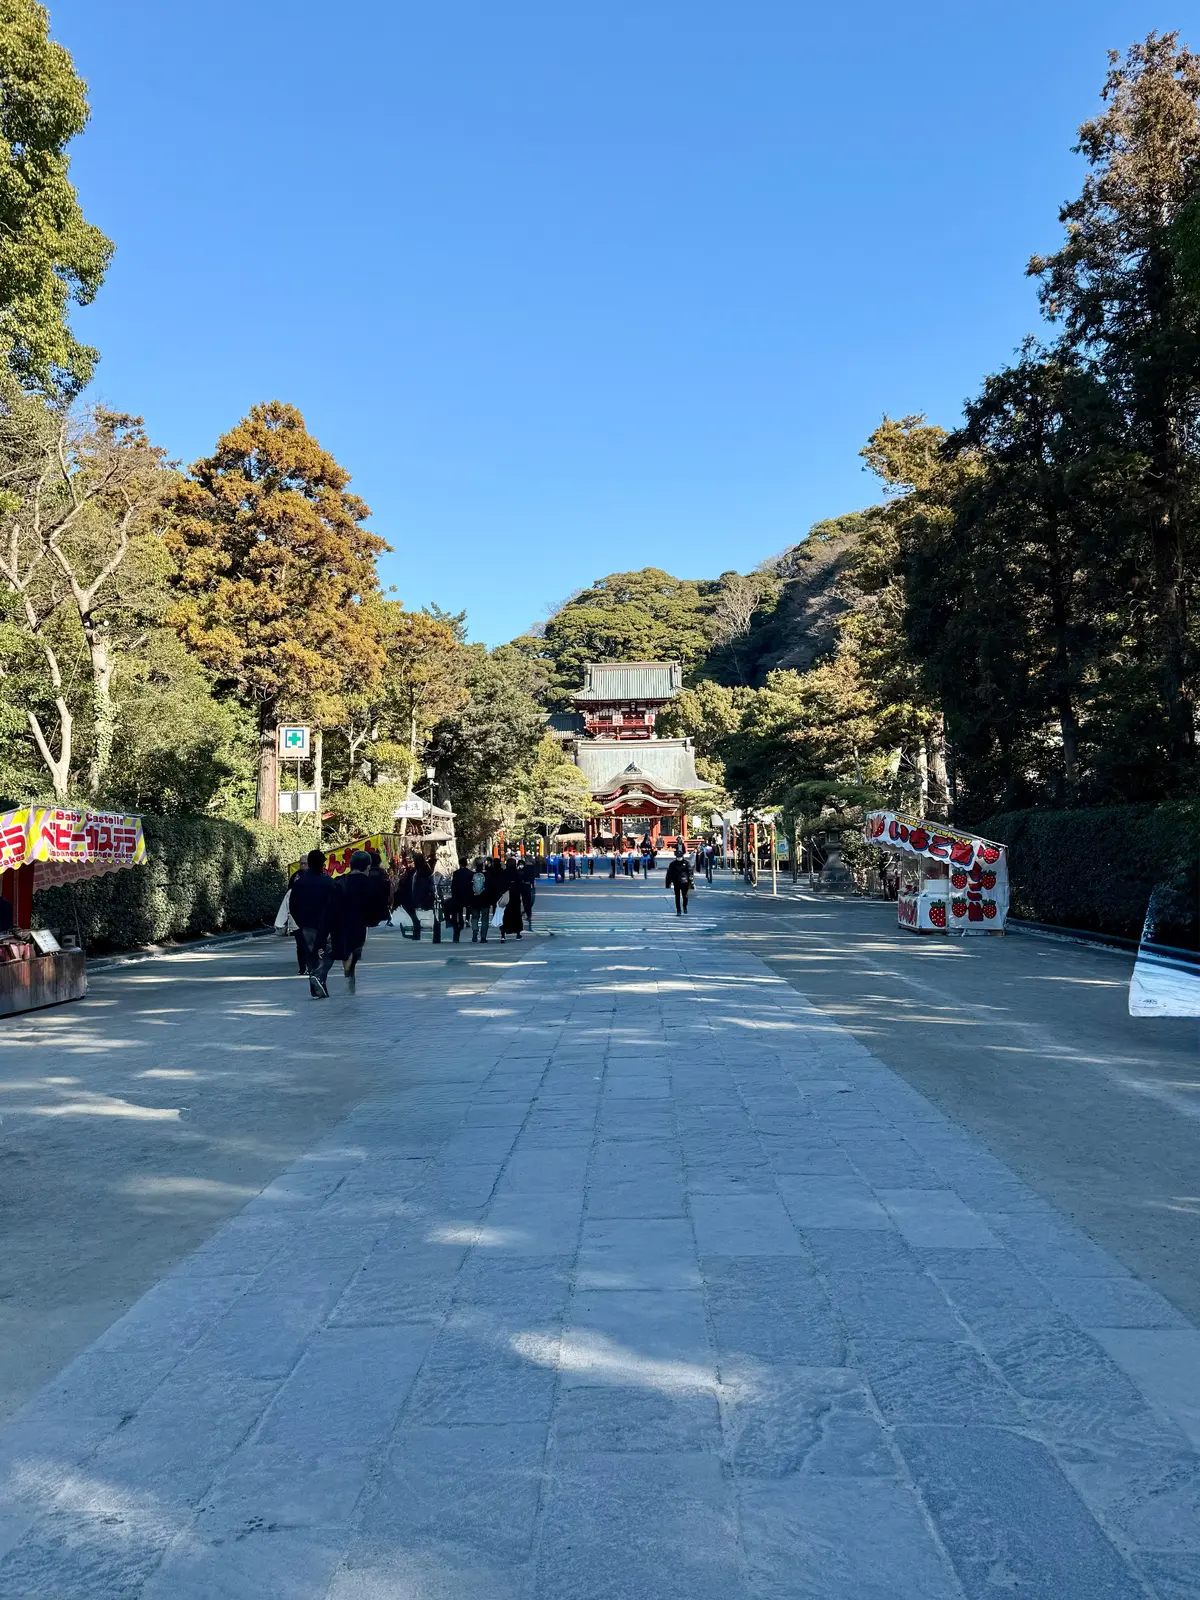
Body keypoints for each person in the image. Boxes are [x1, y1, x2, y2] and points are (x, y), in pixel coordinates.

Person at [289, 848, 335, 997]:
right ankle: (319, 977)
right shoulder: (327, 882)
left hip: (306, 925)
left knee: (311, 956)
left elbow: (292, 905)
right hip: (324, 925)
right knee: (330, 952)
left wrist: (300, 923)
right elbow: (335, 904)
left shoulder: (298, 883)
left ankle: (315, 988)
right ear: (322, 863)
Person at [330, 849, 376, 992]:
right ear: (368, 866)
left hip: (340, 923)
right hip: (358, 924)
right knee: (355, 949)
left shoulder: (339, 881)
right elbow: (373, 906)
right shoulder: (369, 883)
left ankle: (348, 975)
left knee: (346, 951)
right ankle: (350, 975)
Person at [449, 856, 474, 942]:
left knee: (459, 910)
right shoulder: (470, 873)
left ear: (460, 864)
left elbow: (453, 885)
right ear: (466, 864)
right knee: (468, 907)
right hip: (467, 895)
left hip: (458, 895)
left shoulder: (456, 873)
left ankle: (460, 922)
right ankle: (467, 919)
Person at [499, 853, 524, 941]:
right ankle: (518, 933)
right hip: (515, 897)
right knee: (516, 914)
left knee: (505, 915)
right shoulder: (517, 874)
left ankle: (503, 934)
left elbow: (501, 885)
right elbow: (521, 886)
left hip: (506, 897)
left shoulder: (504, 873)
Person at [410, 854, 435, 939]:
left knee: (416, 915)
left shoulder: (420, 872)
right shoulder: (424, 870)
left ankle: (417, 932)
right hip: (422, 895)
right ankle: (417, 932)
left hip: (419, 896)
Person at [366, 849, 393, 927]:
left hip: (373, 915)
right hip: (381, 912)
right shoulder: (382, 874)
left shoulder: (373, 875)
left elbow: (371, 895)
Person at [665, 846, 694, 916]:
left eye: (680, 856)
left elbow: (690, 872)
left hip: (685, 882)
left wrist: (691, 881)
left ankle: (684, 906)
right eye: (678, 856)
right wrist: (668, 883)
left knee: (685, 896)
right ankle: (678, 909)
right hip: (676, 882)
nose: (679, 858)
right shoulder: (673, 864)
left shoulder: (686, 863)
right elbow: (669, 874)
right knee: (677, 896)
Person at [469, 857, 491, 942]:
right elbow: (489, 888)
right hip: (484, 899)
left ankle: (475, 931)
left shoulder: (472, 875)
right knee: (484, 918)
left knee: (475, 917)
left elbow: (469, 887)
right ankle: (483, 937)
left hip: (474, 899)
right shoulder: (486, 875)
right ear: (483, 865)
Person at [518, 853, 539, 928]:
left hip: (526, 886)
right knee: (528, 901)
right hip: (528, 886)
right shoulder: (529, 867)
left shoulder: (526, 867)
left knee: (526, 901)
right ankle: (528, 913)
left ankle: (527, 913)